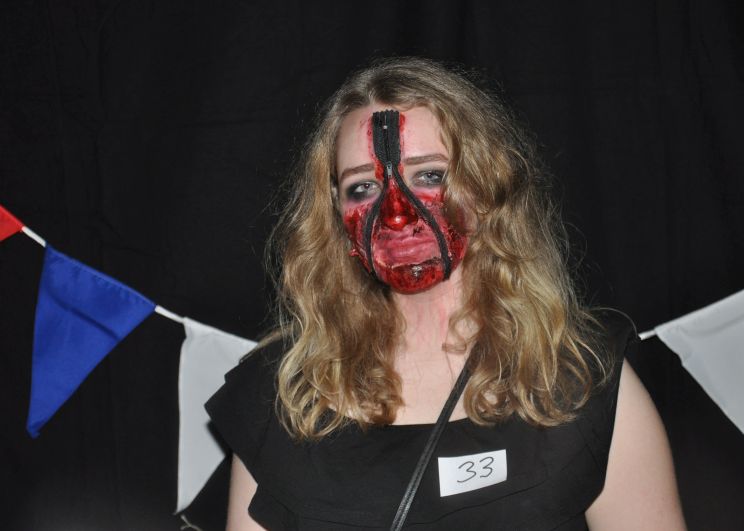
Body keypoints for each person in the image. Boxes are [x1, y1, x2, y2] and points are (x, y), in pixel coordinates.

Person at [206, 57, 686, 530]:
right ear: (333, 209)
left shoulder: (580, 376)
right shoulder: (286, 394)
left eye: (429, 176)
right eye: (363, 187)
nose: (396, 213)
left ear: (486, 185)